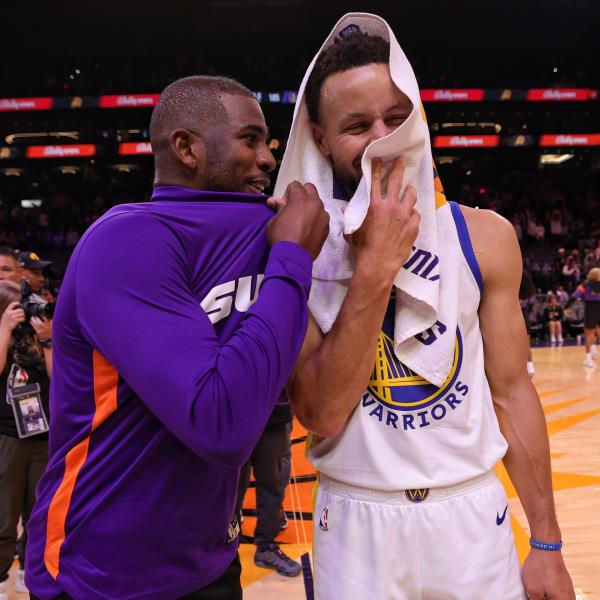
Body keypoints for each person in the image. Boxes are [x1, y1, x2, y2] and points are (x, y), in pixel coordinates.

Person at [280, 18, 574, 600]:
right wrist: (374, 269)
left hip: (470, 511)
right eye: (358, 125)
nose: (384, 136)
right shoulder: (296, 250)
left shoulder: (485, 237)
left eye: (397, 117)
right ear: (318, 140)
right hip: (355, 515)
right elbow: (321, 412)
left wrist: (546, 543)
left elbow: (513, 392)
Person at [25, 75, 328, 600]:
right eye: (250, 139)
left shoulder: (260, 231)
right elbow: (222, 422)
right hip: (99, 570)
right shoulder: (125, 241)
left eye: (269, 142)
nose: (268, 158)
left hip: (209, 562)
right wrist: (292, 260)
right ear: (186, 147)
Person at [0, 280, 52, 600]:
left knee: (39, 516)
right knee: (3, 517)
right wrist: (4, 328)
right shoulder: (3, 335)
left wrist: (47, 339)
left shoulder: (37, 339)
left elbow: (59, 378)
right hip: (6, 436)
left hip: (42, 436)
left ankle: (30, 576)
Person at [235, 398, 300, 577]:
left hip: (274, 413)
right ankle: (226, 541)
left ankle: (266, 546)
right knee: (231, 483)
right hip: (234, 411)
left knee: (273, 482)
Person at [571, 268, 600, 368]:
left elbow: (574, 296)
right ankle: (593, 350)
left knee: (588, 334)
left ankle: (588, 360)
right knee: (597, 332)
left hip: (590, 310)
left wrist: (566, 307)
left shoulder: (585, 285)